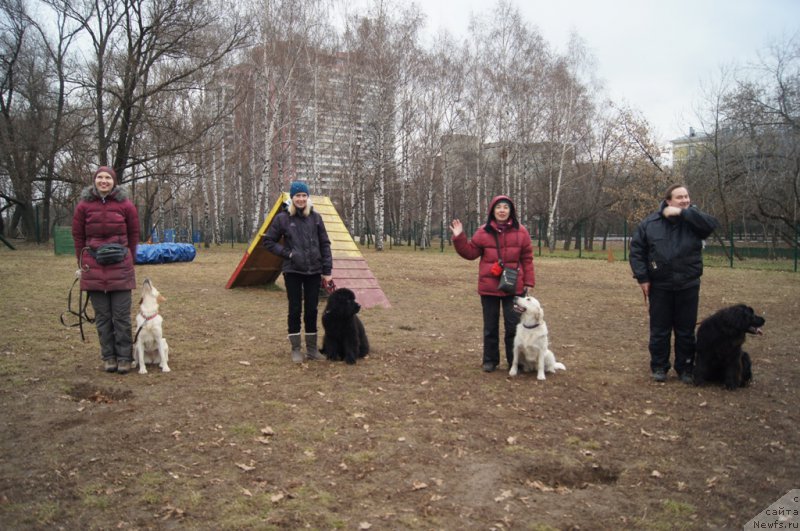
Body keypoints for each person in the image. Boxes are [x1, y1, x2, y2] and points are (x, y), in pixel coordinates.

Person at [629, 184, 718, 384]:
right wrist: (643, 278)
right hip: (660, 286)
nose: (685, 200)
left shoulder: (694, 220)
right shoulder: (650, 224)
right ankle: (659, 366)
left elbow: (712, 225)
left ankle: (685, 367)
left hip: (688, 284)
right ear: (668, 200)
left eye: (687, 196)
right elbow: (637, 251)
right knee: (660, 329)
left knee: (685, 330)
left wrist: (684, 213)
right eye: (680, 197)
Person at [450, 195, 535, 372]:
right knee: (490, 327)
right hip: (489, 287)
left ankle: (515, 362)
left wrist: (529, 281)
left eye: (505, 207)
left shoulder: (522, 232)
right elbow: (470, 253)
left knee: (513, 327)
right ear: (492, 211)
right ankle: (490, 360)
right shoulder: (483, 232)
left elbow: (527, 258)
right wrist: (459, 238)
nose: (502, 210)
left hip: (513, 287)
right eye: (498, 207)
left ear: (511, 211)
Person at [72, 166, 140, 374]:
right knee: (102, 317)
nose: (104, 181)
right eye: (100, 177)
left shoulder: (126, 205)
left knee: (121, 316)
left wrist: (130, 258)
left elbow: (134, 233)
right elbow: (78, 236)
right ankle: (108, 357)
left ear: (114, 181)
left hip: (120, 265)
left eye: (107, 178)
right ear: (94, 181)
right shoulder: (83, 206)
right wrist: (82, 262)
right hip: (93, 265)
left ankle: (124, 358)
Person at [263, 181, 333, 363]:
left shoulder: (316, 218)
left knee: (311, 310)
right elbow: (268, 241)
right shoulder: (282, 219)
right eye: (297, 196)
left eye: (304, 195)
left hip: (314, 271)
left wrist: (327, 271)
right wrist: (288, 253)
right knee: (294, 309)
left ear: (307, 197)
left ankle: (311, 349)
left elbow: (325, 244)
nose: (301, 199)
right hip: (293, 271)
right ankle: (296, 349)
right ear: (291, 198)